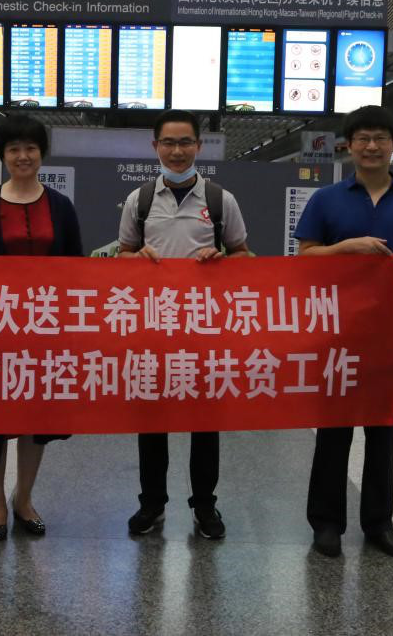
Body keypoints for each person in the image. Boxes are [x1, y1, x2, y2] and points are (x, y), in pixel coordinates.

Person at [293, 105, 393, 558]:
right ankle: (326, 522)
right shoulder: (327, 199)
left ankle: (379, 522)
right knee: (334, 427)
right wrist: (345, 248)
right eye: (363, 138)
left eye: (380, 138)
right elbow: (305, 256)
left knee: (384, 428)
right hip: (337, 324)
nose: (372, 146)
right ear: (349, 145)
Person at [117, 109, 251, 540]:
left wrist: (224, 259)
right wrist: (135, 259)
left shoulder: (221, 200)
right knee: (152, 421)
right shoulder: (139, 200)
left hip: (204, 329)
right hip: (154, 328)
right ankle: (152, 503)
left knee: (205, 422)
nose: (177, 151)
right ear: (155, 146)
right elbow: (123, 254)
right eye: (169, 143)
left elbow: (243, 254)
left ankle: (205, 505)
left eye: (185, 142)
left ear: (198, 146)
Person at [0, 116, 83, 540]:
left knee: (36, 419)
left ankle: (23, 498)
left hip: (46, 331)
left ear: (42, 153)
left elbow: (76, 267)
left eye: (31, 148)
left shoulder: (61, 206)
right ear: (3, 156)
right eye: (14, 149)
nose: (23, 156)